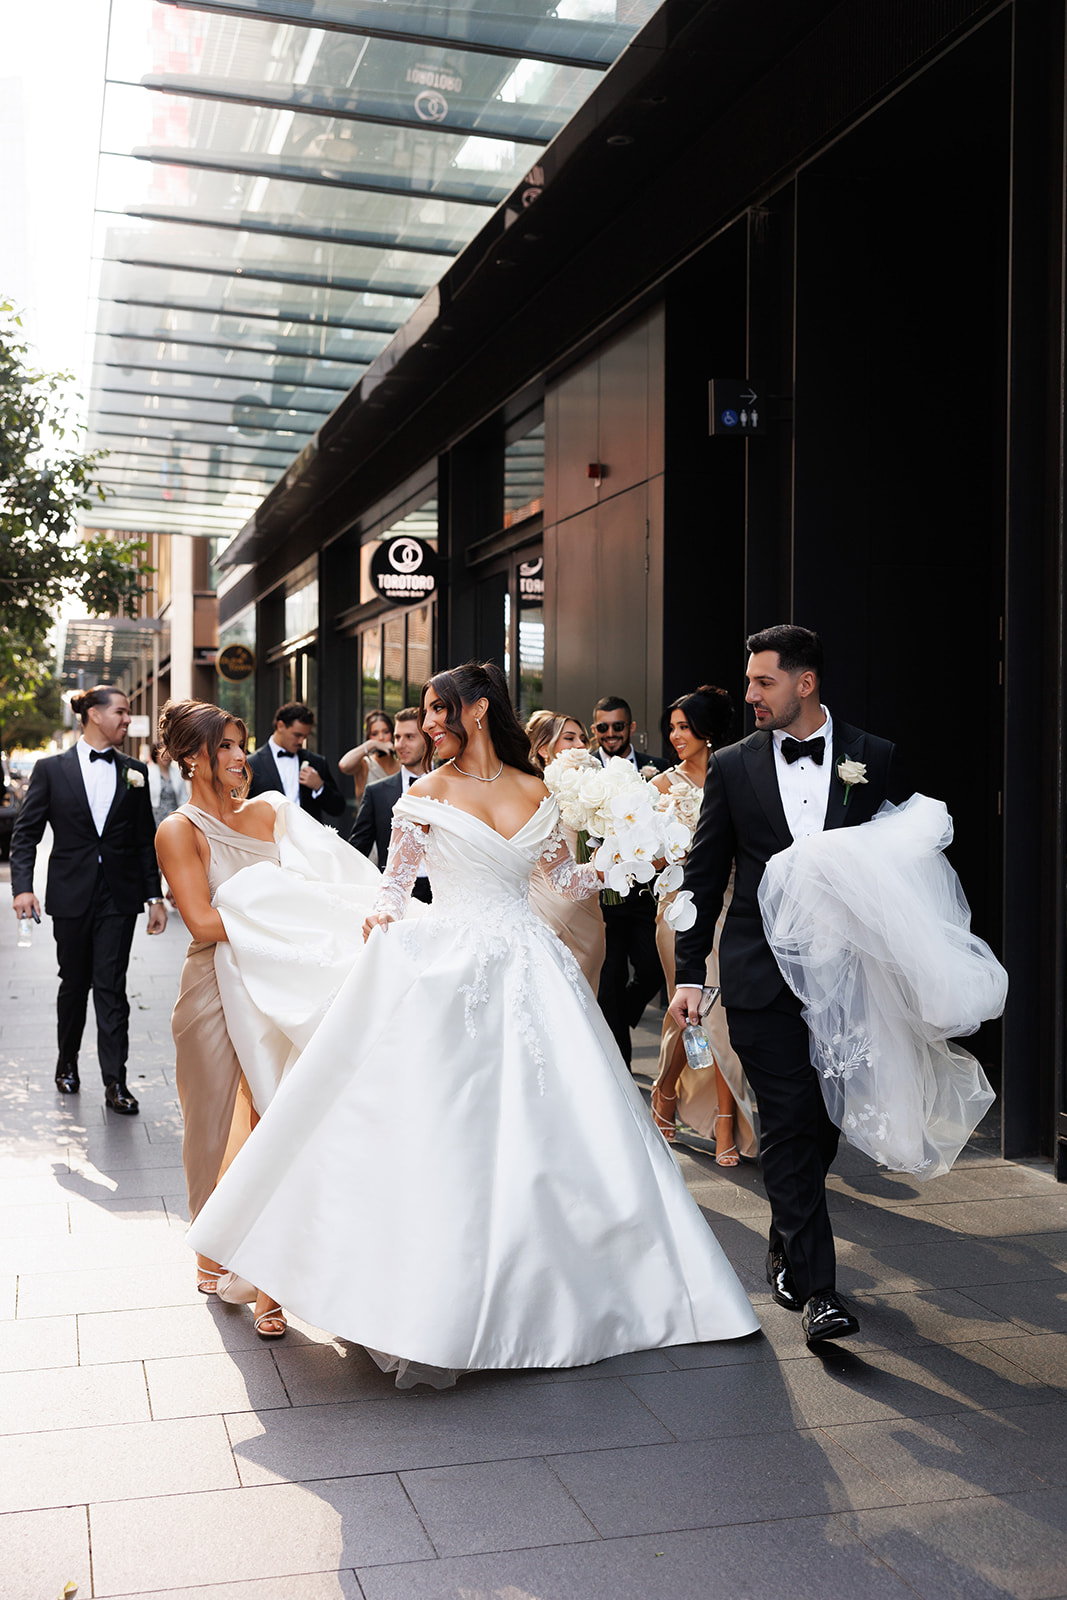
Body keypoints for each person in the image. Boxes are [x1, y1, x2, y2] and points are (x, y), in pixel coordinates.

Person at [187, 661, 759, 1388]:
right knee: (448, 1129)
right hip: (447, 970)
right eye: (425, 712)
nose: (428, 723)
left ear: (478, 709)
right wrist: (377, 921)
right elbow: (394, 890)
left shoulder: (539, 790)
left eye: (437, 709)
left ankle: (573, 1289)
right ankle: (430, 1298)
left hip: (532, 969)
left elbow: (563, 881)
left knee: (557, 1129)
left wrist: (625, 860)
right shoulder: (423, 794)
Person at [668, 625, 903, 1347]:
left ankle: (785, 1237)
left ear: (805, 682)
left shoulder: (874, 757)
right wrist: (687, 973)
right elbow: (703, 873)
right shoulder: (733, 766)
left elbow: (901, 864)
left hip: (845, 978)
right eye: (748, 682)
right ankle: (821, 1294)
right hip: (759, 976)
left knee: (823, 1125)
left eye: (763, 682)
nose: (750, 695)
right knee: (790, 1121)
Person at [153, 699, 287, 1338]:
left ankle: (271, 1281)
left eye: (242, 743)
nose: (240, 756)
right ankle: (215, 1247)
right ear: (190, 758)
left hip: (279, 984)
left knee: (274, 1118)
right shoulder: (179, 830)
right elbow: (203, 922)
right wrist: (291, 928)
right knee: (211, 1127)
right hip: (212, 987)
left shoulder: (266, 815)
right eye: (226, 746)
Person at [9, 685, 166, 1113]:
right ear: (94, 715)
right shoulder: (50, 769)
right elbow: (26, 833)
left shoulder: (135, 771)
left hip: (119, 896)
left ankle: (116, 1083)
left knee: (112, 988)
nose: (127, 719)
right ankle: (67, 1062)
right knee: (74, 984)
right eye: (121, 711)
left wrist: (154, 896)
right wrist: (23, 887)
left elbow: (144, 840)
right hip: (71, 894)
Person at [648, 687, 756, 1165]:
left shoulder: (734, 774)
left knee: (724, 1017)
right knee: (689, 1013)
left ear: (707, 732)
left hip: (731, 904)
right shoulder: (661, 786)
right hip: (678, 908)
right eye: (672, 727)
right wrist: (680, 852)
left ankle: (726, 1123)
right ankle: (666, 1088)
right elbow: (645, 857)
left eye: (684, 727)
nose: (675, 736)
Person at [590, 694, 667, 1067]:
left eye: (618, 726)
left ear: (631, 728)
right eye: (602, 727)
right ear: (595, 730)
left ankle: (624, 1012)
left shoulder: (658, 770)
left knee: (653, 969)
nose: (610, 733)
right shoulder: (584, 775)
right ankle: (620, 1069)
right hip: (602, 898)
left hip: (644, 894)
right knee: (609, 981)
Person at [526, 710, 606, 990]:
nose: (580, 745)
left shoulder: (597, 786)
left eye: (583, 738)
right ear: (542, 749)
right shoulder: (530, 790)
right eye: (569, 738)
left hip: (588, 906)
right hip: (545, 906)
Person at [349, 707, 433, 900]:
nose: (400, 745)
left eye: (409, 737)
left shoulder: (452, 786)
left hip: (443, 894)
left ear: (427, 739)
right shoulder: (376, 792)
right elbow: (356, 850)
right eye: (397, 737)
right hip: (393, 896)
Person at [246, 701, 345, 825]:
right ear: (280, 726)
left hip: (308, 836)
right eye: (297, 735)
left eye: (305, 737)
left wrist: (319, 786)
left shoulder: (316, 762)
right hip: (266, 835)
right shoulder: (251, 764)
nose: (301, 741)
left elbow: (338, 808)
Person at [339, 709, 401, 804]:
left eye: (385, 732)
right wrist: (372, 744)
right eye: (374, 734)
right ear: (369, 737)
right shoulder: (365, 765)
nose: (381, 738)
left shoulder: (403, 766)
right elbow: (344, 765)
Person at [147, 742, 189, 826]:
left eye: (167, 753)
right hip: (155, 816)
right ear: (156, 756)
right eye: (162, 753)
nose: (165, 756)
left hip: (174, 816)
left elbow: (184, 797)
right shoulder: (149, 772)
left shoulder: (177, 773)